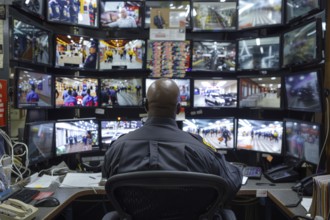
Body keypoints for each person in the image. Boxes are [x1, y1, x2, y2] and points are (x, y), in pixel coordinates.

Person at [102, 78, 242, 220]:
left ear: (145, 106)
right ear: (179, 108)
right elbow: (230, 185)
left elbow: (107, 180)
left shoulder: (117, 149)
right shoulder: (201, 149)